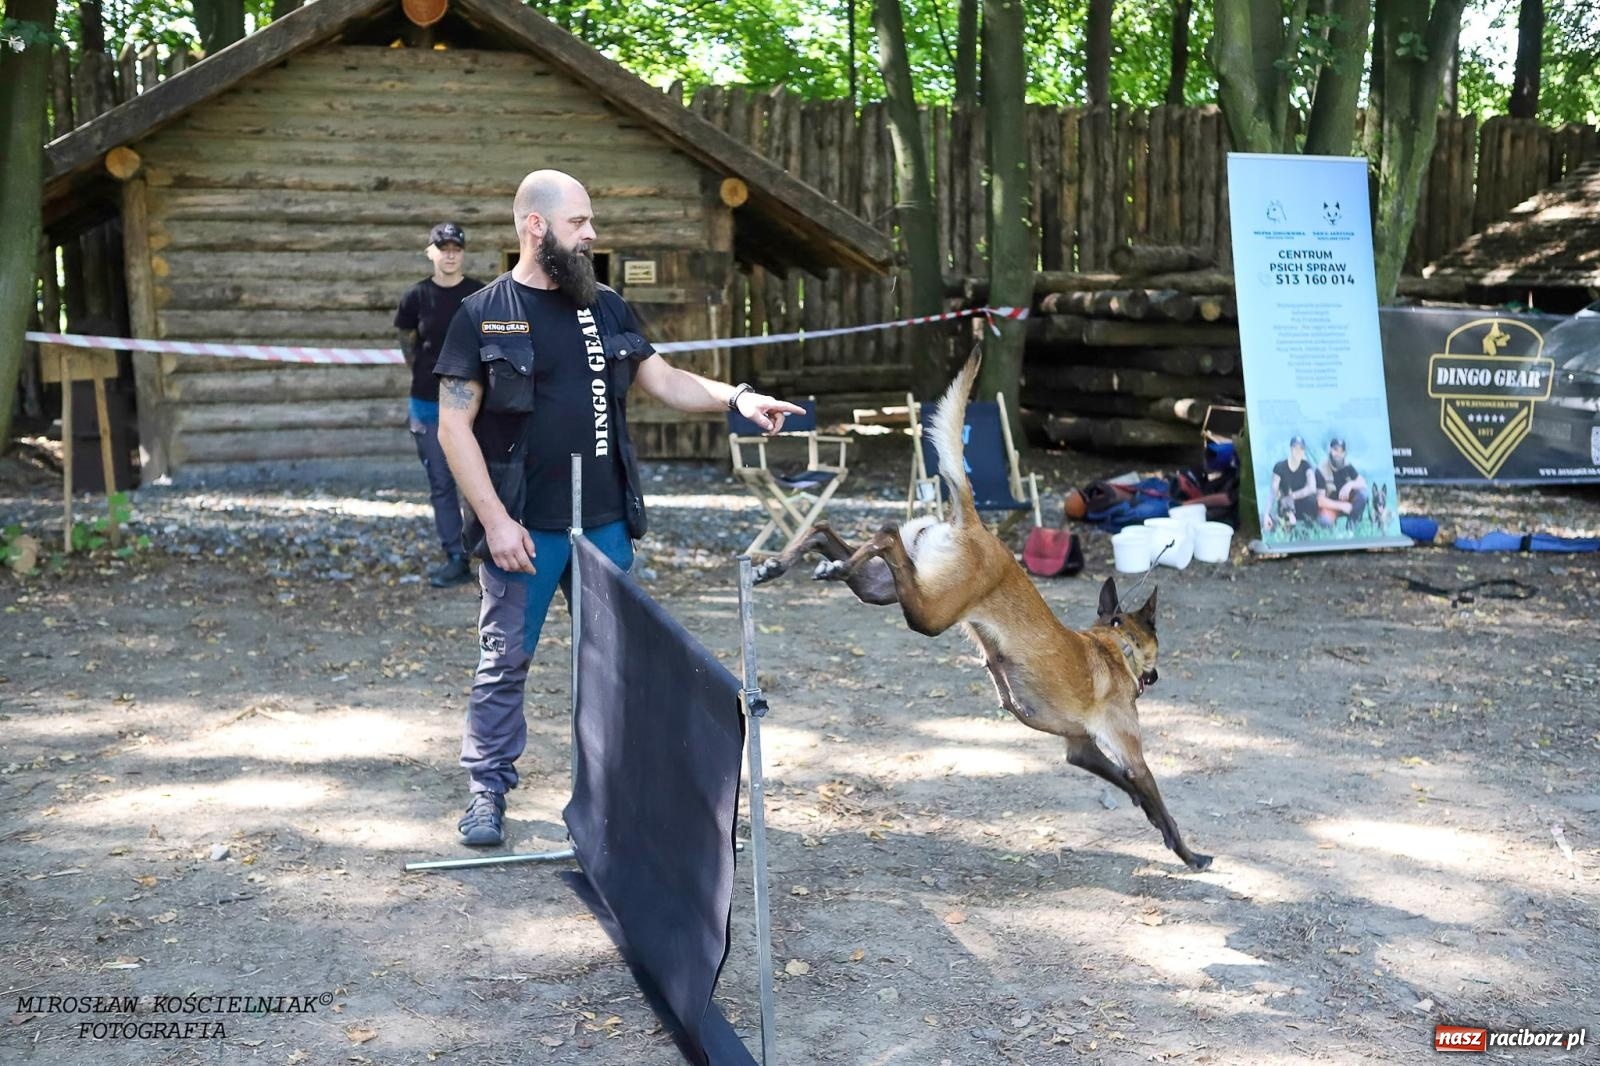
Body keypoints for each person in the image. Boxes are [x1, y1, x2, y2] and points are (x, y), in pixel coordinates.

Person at [434, 170, 804, 846]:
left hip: (603, 522)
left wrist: (737, 398)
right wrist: (493, 521)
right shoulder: (483, 312)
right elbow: (453, 428)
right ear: (535, 227)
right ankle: (486, 791)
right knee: (504, 660)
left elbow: (663, 379)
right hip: (522, 529)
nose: (593, 234)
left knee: (617, 664)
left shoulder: (605, 306)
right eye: (580, 222)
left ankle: (617, 796)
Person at [395, 222, 486, 587]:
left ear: (462, 253)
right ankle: (455, 556)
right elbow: (408, 340)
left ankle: (491, 550)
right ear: (430, 251)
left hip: (472, 401)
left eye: (456, 248)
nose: (450, 254)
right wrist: (423, 370)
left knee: (483, 478)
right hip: (428, 401)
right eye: (443, 247)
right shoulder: (415, 296)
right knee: (441, 482)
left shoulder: (479, 294)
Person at [1266, 435, 1319, 533]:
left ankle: (1309, 527)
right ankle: (1286, 525)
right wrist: (1266, 514)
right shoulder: (1279, 467)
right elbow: (1272, 492)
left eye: (1301, 448)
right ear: (1291, 448)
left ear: (1303, 451)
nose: (1298, 451)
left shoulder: (1306, 465)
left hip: (1301, 503)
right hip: (1285, 505)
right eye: (1295, 448)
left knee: (1312, 500)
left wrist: (1293, 496)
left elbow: (1312, 487)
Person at [1316, 436, 1369, 528]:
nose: (1338, 454)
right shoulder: (1321, 470)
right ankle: (1333, 535)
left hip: (1347, 502)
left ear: (1344, 453)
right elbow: (1320, 501)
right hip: (1330, 505)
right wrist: (1342, 506)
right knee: (1324, 521)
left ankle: (1352, 525)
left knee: (1363, 494)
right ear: (1330, 450)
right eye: (1335, 450)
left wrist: (1350, 484)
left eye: (1341, 451)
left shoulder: (1347, 466)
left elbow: (1363, 483)